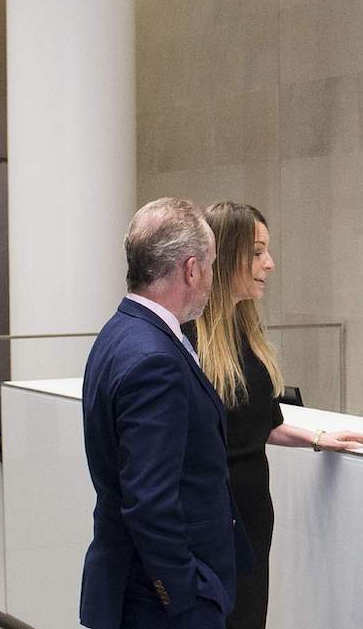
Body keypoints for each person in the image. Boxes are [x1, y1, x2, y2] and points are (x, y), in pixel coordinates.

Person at [183, 202, 363, 629]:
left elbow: (262, 423)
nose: (269, 264)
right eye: (257, 252)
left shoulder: (246, 332)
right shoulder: (188, 340)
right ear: (226, 255)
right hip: (212, 517)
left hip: (253, 512)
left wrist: (316, 438)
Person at [80, 197, 248, 629]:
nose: (211, 279)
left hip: (133, 587)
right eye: (211, 265)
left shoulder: (120, 331)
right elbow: (149, 500)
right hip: (158, 604)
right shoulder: (155, 358)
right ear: (191, 270)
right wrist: (184, 595)